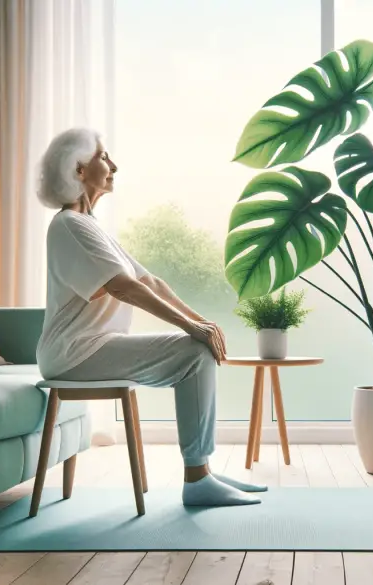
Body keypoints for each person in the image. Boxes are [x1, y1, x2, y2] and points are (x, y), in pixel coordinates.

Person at [34, 128, 263, 507]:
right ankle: (198, 477)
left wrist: (202, 321)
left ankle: (201, 470)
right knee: (193, 352)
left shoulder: (88, 226)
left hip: (91, 348)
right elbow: (124, 287)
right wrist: (191, 328)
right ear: (77, 169)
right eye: (104, 157)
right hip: (74, 353)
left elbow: (149, 281)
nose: (113, 166)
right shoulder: (68, 226)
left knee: (197, 347)